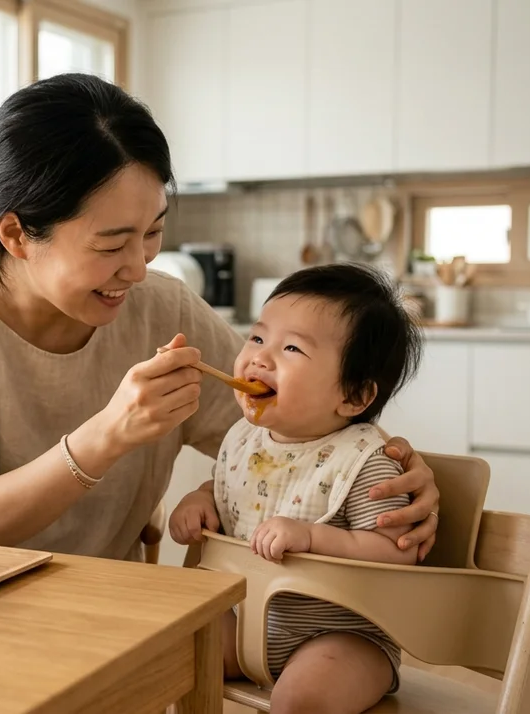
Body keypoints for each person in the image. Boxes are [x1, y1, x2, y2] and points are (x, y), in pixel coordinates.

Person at [0, 72, 440, 563]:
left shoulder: (164, 308)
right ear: (16, 233)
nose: (138, 269)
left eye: (153, 233)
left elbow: (295, 430)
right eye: (112, 243)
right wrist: (110, 434)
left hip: (111, 605)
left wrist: (389, 477)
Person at [169, 263, 424, 713]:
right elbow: (237, 489)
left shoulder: (364, 463)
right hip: (247, 622)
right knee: (168, 653)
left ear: (354, 397)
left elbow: (397, 553)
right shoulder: (244, 441)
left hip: (343, 637)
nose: (259, 358)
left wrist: (312, 537)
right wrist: (202, 499)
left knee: (301, 701)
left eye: (290, 348)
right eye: (257, 337)